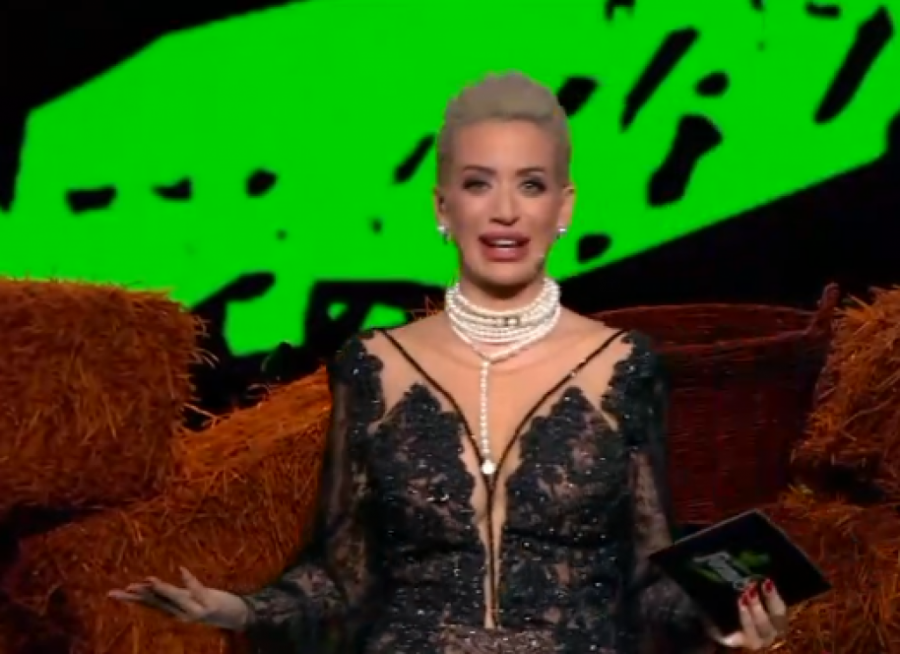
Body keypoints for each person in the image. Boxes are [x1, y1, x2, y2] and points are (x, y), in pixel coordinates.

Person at [110, 72, 789, 653]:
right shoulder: (373, 365)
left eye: (530, 185)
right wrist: (236, 609)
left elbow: (647, 584)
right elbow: (340, 578)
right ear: (443, 206)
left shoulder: (623, 365)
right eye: (478, 184)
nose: (505, 211)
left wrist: (729, 622)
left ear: (564, 207)